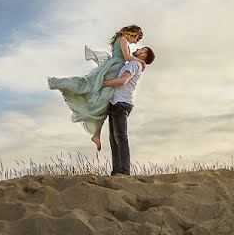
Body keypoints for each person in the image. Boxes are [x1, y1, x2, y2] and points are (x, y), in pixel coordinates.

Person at [47, 24, 143, 151]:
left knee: (104, 102)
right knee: (101, 99)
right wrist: (140, 61)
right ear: (133, 33)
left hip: (114, 68)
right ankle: (60, 83)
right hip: (114, 69)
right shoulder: (123, 39)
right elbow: (125, 57)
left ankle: (96, 134)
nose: (135, 42)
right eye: (136, 39)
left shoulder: (121, 39)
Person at [102, 46, 155, 175]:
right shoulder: (134, 63)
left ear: (143, 55)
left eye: (142, 49)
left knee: (120, 138)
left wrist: (103, 83)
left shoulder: (134, 63)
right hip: (117, 103)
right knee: (114, 139)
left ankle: (124, 172)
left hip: (121, 103)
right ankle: (116, 172)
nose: (137, 48)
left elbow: (122, 81)